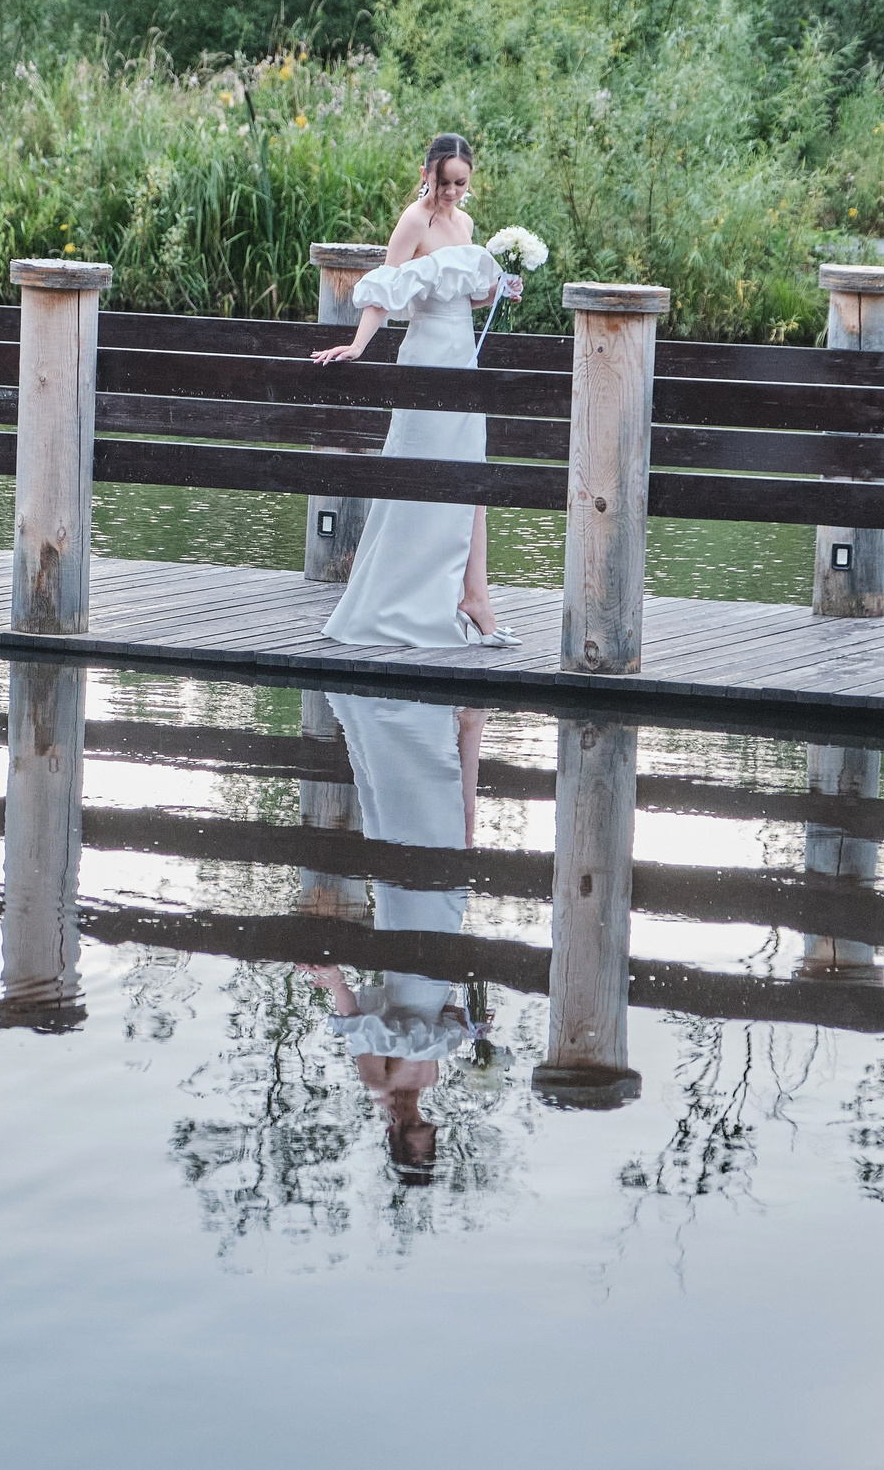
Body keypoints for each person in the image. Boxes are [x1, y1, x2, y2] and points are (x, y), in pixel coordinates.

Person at [311, 134, 521, 648]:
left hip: (463, 358)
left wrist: (498, 290)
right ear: (426, 172)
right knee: (422, 478)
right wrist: (359, 344)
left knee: (471, 477)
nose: (451, 192)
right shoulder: (413, 222)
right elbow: (387, 291)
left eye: (460, 183)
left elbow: (461, 297)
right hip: (426, 355)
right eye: (443, 181)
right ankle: (407, 600)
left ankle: (475, 598)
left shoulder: (466, 225)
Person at [299, 694, 487, 1186]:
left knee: (422, 844)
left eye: (415, 1130)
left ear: (397, 1134)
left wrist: (335, 979)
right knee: (458, 850)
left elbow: (356, 1021)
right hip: (441, 959)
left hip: (404, 954)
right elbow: (442, 1014)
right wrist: (473, 1021)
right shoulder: (431, 1077)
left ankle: (427, 730)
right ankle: (466, 728)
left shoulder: (378, 1082)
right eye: (427, 1127)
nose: (419, 1120)